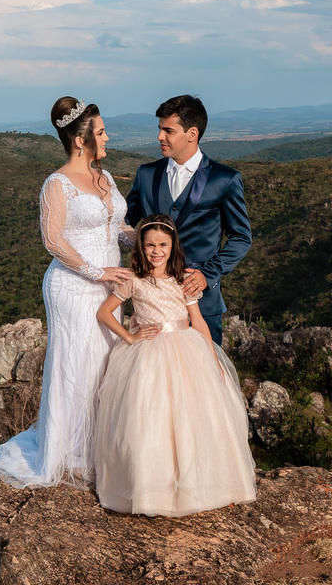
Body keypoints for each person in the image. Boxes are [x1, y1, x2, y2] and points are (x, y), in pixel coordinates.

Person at [0, 97, 133, 489]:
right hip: (73, 286)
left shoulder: (105, 178)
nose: (107, 137)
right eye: (101, 132)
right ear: (79, 140)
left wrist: (153, 238)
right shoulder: (56, 184)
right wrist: (98, 271)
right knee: (76, 364)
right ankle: (70, 452)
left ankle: (97, 447)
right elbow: (53, 241)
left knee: (105, 362)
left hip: (110, 286)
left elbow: (115, 228)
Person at [93, 214, 257, 517]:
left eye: (163, 245)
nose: (156, 251)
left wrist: (211, 357)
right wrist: (130, 336)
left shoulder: (183, 278)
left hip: (186, 349)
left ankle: (197, 486)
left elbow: (198, 322)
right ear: (141, 247)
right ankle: (153, 490)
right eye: (150, 245)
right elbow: (104, 313)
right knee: (149, 421)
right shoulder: (133, 279)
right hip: (148, 355)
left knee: (190, 418)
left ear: (173, 245)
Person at [125, 95, 252, 346]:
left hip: (201, 302)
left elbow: (241, 237)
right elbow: (124, 220)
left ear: (192, 133)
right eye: (160, 129)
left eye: (168, 130)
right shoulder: (146, 174)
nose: (160, 137)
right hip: (154, 307)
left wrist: (207, 274)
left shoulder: (224, 179)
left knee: (205, 380)